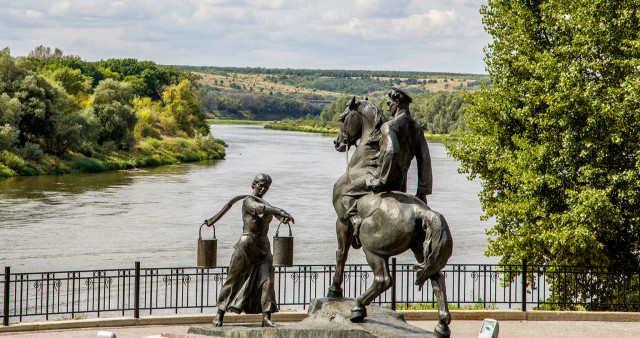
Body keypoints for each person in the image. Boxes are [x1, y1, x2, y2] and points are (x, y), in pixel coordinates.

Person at [347, 87, 432, 247]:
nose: (387, 107)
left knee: (347, 192)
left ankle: (356, 228)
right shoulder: (417, 129)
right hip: (402, 186)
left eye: (389, 103)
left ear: (397, 102)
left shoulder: (389, 127)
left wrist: (381, 180)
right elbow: (425, 160)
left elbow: (392, 151)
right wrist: (422, 193)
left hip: (384, 183)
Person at [208, 173, 294, 327]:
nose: (262, 188)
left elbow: (272, 212)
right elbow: (261, 208)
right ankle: (219, 314)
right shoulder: (248, 201)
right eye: (260, 185)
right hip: (246, 245)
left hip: (263, 247)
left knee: (267, 281)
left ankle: (266, 318)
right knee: (233, 279)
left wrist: (284, 217)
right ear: (253, 184)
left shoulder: (266, 204)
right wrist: (279, 211)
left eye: (266, 186)